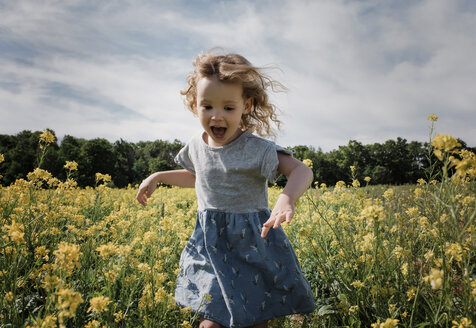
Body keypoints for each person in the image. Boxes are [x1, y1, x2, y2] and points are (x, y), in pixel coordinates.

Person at [136, 50, 315, 328]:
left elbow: (302, 170)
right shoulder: (196, 144)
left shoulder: (257, 149)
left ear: (246, 105)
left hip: (252, 244)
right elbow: (199, 176)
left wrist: (286, 199)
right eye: (207, 106)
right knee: (212, 322)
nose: (217, 116)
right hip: (212, 244)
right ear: (196, 105)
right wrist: (159, 176)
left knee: (256, 322)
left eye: (228, 108)